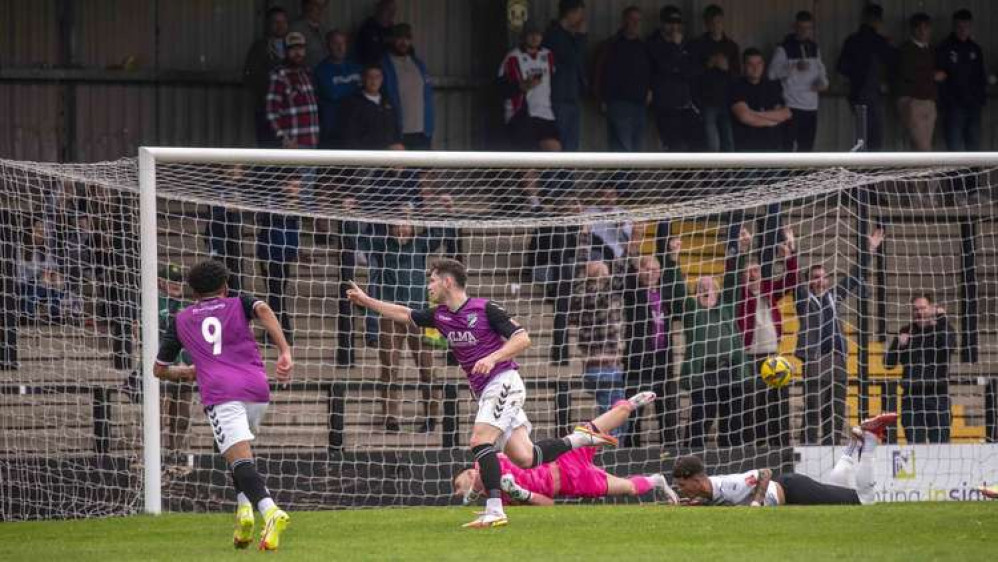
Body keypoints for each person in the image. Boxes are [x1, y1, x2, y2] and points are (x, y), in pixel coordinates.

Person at [346, 258, 618, 528]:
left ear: (447, 281)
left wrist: (494, 357)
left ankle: (495, 510)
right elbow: (405, 314)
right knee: (526, 457)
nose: (428, 285)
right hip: (487, 389)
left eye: (432, 280)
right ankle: (580, 439)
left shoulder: (485, 308)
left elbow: (522, 338)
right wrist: (367, 301)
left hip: (504, 381)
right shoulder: (441, 315)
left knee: (479, 441)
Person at [153, 260, 292, 551]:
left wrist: (188, 372)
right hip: (257, 389)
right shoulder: (239, 302)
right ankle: (243, 512)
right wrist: (284, 351)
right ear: (225, 286)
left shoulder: (180, 319)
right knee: (235, 452)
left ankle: (269, 511)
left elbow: (159, 369)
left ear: (193, 292)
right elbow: (264, 310)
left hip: (221, 393)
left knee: (240, 459)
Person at [452, 392, 680, 506]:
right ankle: (657, 481)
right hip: (574, 483)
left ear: (470, 473)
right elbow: (548, 504)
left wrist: (469, 496)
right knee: (629, 488)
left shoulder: (486, 463)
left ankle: (629, 404)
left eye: (457, 486)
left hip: (563, 458)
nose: (456, 491)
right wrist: (520, 494)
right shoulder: (500, 499)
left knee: (614, 417)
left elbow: (479, 478)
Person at [672, 413, 898, 507]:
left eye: (683, 485)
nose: (682, 490)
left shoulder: (727, 486)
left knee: (864, 501)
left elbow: (764, 473)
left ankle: (869, 440)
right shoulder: (710, 490)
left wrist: (756, 503)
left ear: (696, 480)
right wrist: (699, 502)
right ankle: (853, 444)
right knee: (838, 491)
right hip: (789, 487)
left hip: (794, 490)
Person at [796, 228, 885, 445]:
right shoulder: (804, 299)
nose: (820, 280)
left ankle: (832, 447)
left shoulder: (833, 297)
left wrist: (869, 250)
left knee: (835, 411)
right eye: (815, 277)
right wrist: (791, 249)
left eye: (823, 277)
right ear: (808, 282)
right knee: (813, 409)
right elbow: (794, 277)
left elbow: (854, 276)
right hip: (815, 359)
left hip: (838, 359)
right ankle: (808, 447)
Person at [664, 236, 749, 448]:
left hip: (731, 371)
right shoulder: (693, 310)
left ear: (718, 293)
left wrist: (741, 251)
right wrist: (673, 259)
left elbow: (733, 280)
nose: (705, 289)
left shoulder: (728, 307)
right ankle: (691, 455)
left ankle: (733, 457)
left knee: (734, 421)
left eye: (710, 286)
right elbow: (677, 290)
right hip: (704, 374)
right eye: (701, 286)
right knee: (701, 417)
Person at [370, 220, 440, 433]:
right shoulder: (382, 245)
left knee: (427, 368)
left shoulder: (420, 244)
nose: (402, 229)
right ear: (390, 228)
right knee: (389, 368)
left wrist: (446, 210)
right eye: (397, 225)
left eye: (407, 225)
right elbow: (358, 236)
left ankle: (431, 418)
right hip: (390, 316)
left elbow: (441, 231)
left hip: (420, 316)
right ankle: (390, 418)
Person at [731, 227, 797, 446]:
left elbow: (791, 281)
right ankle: (753, 446)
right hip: (750, 356)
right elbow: (731, 274)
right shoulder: (739, 295)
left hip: (772, 355)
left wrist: (789, 255)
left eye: (756, 270)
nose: (753, 274)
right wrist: (743, 250)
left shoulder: (769, 290)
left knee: (775, 404)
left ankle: (779, 445)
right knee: (753, 405)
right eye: (748, 271)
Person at [622, 253, 677, 447]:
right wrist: (632, 254)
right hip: (639, 361)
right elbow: (628, 281)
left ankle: (670, 451)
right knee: (635, 411)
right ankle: (631, 449)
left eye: (655, 269)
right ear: (638, 271)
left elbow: (674, 280)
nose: (651, 273)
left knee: (667, 411)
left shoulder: (665, 292)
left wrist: (672, 258)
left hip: (662, 359)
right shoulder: (635, 293)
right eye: (647, 268)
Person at [885, 295, 956, 443]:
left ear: (931, 308)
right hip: (912, 397)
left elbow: (948, 347)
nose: (919, 312)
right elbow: (888, 364)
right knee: (915, 447)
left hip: (937, 395)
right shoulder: (906, 331)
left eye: (923, 308)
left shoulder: (942, 329)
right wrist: (898, 345)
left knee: (941, 446)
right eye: (915, 309)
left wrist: (942, 318)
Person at [571, 260, 624, 430]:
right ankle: (609, 452)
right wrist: (597, 275)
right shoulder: (587, 295)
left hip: (613, 364)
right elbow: (598, 294)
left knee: (620, 415)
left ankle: (614, 449)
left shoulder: (608, 294)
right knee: (611, 415)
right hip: (599, 365)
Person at [837, 3, 896, 151]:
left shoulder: (851, 40)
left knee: (861, 134)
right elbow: (892, 64)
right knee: (875, 135)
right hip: (872, 93)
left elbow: (841, 67)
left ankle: (861, 166)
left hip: (856, 92)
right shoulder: (880, 42)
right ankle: (872, 169)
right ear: (878, 21)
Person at [768, 11, 828, 152]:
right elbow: (771, 74)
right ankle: (788, 174)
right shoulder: (784, 48)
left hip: (811, 106)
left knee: (806, 148)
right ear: (794, 27)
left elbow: (821, 71)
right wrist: (793, 67)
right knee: (787, 147)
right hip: (792, 105)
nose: (805, 32)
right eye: (801, 28)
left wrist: (823, 84)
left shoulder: (814, 48)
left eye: (808, 28)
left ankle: (804, 174)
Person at [594, 6, 652, 152]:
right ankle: (622, 175)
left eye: (638, 20)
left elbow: (650, 71)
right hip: (618, 103)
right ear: (623, 21)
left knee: (637, 149)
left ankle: (628, 175)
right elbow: (599, 73)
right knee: (622, 147)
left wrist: (650, 90)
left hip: (639, 104)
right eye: (632, 20)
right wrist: (601, 99)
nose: (635, 24)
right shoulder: (611, 45)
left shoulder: (643, 47)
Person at [497, 26, 561, 152]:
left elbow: (554, 79)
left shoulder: (547, 55)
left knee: (554, 150)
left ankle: (543, 172)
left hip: (545, 112)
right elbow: (499, 87)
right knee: (528, 156)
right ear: (524, 37)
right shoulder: (513, 57)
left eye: (538, 34)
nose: (535, 38)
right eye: (531, 34)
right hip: (520, 113)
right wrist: (521, 86)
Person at [255, 177, 302, 345]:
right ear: (283, 185)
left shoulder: (298, 204)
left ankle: (279, 333)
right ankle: (278, 333)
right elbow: (264, 223)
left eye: (298, 186)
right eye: (292, 184)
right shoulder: (272, 201)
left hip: (285, 255)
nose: (296, 189)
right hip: (271, 254)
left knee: (278, 294)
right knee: (275, 294)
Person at [688, 4, 739, 152]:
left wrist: (726, 67)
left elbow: (737, 74)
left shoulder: (731, 46)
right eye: (712, 23)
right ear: (706, 24)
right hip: (707, 101)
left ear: (723, 22)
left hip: (727, 100)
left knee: (728, 140)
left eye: (718, 22)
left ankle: (728, 174)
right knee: (712, 143)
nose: (716, 26)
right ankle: (712, 174)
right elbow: (690, 73)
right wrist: (708, 64)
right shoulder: (697, 45)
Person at [647, 6, 698, 152]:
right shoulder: (653, 43)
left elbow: (691, 70)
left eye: (677, 22)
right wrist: (675, 47)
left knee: (695, 145)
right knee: (675, 147)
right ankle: (677, 175)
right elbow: (665, 67)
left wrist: (679, 49)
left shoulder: (686, 43)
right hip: (665, 105)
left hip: (686, 103)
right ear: (662, 23)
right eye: (670, 22)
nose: (674, 26)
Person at [936, 9, 987, 153]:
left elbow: (981, 76)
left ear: (970, 27)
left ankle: (974, 176)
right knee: (954, 146)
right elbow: (940, 75)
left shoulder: (975, 49)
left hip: (973, 105)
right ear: (954, 26)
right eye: (959, 27)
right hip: (954, 105)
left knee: (974, 144)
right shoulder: (945, 48)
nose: (963, 30)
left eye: (966, 27)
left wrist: (980, 99)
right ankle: (956, 176)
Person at [543, 0, 587, 151]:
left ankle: (568, 175)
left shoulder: (568, 36)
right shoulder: (555, 35)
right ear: (570, 13)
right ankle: (558, 175)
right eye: (580, 14)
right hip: (559, 97)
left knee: (571, 145)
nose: (582, 19)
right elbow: (572, 59)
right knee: (560, 143)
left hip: (571, 95)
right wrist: (580, 37)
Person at [381, 24, 434, 150]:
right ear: (392, 39)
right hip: (397, 135)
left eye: (407, 38)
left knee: (423, 169)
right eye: (399, 38)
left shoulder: (419, 64)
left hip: (422, 133)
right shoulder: (383, 64)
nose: (403, 42)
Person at [896, 13, 943, 152]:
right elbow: (908, 73)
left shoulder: (932, 50)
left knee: (923, 143)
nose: (923, 32)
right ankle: (929, 173)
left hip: (929, 100)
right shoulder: (905, 50)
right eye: (919, 28)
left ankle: (920, 174)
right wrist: (932, 76)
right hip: (913, 100)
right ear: (913, 30)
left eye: (926, 28)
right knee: (923, 146)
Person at [243, 7, 289, 147]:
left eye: (283, 22)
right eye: (276, 22)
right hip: (267, 107)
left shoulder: (293, 45)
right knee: (269, 148)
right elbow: (250, 77)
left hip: (291, 109)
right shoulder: (260, 47)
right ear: (268, 25)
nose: (280, 25)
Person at [265, 31, 320, 150]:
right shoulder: (279, 75)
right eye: (293, 49)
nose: (297, 53)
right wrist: (283, 138)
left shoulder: (307, 73)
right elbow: (271, 112)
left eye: (300, 48)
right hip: (293, 145)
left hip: (312, 142)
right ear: (285, 52)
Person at [731, 48, 791, 152]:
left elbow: (786, 114)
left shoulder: (773, 86)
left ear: (763, 65)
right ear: (744, 66)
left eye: (759, 64)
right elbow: (744, 117)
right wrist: (772, 121)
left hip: (774, 148)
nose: (755, 68)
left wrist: (754, 113)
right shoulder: (736, 86)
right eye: (751, 64)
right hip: (748, 150)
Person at [314, 30, 362, 149]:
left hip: (356, 128)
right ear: (328, 46)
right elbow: (333, 93)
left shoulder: (356, 66)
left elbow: (367, 90)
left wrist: (345, 89)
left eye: (343, 43)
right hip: (333, 129)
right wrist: (355, 88)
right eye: (335, 43)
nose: (340, 47)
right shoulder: (322, 69)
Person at [338, 66, 404, 150]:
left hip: (390, 156)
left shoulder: (388, 101)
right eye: (370, 77)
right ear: (363, 79)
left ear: (382, 79)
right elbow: (350, 136)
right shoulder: (353, 104)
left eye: (377, 77)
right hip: (366, 156)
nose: (374, 81)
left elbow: (396, 129)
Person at [203, 165, 245, 291]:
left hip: (235, 237)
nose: (239, 170)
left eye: (240, 168)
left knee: (236, 271)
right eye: (236, 167)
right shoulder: (216, 188)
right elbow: (216, 212)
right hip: (218, 236)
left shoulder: (242, 188)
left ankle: (235, 299)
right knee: (219, 269)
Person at [355, 0, 397, 66]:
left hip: (391, 66)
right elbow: (368, 54)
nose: (391, 14)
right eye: (388, 9)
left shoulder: (393, 29)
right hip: (371, 68)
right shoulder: (368, 27)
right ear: (379, 9)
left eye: (393, 11)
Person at [288, 0, 328, 68]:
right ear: (306, 5)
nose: (321, 9)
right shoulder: (295, 28)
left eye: (323, 5)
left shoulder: (324, 28)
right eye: (316, 5)